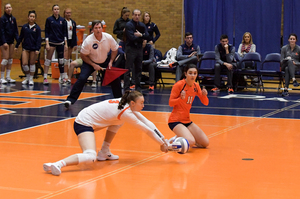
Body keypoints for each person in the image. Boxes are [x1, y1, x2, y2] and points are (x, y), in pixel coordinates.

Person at [44, 90, 169, 176]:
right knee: (90, 156)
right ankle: (57, 164)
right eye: (141, 103)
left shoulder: (125, 104)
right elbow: (145, 129)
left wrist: (164, 140)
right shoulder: (125, 112)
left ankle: (104, 152)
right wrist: (161, 144)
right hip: (83, 123)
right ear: (133, 103)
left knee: (118, 121)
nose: (143, 105)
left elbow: (148, 123)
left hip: (90, 120)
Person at [64, 20, 121, 108]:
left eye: (99, 28)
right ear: (92, 30)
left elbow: (115, 49)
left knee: (115, 78)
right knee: (82, 78)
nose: (98, 30)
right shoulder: (88, 40)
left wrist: (111, 61)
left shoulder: (108, 37)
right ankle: (70, 100)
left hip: (105, 61)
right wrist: (93, 65)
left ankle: (120, 100)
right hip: (90, 61)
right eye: (96, 28)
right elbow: (83, 55)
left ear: (102, 29)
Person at [168, 64, 209, 148]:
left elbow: (205, 103)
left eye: (195, 73)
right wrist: (180, 98)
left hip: (187, 121)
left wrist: (204, 95)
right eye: (190, 73)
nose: (193, 75)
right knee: (190, 141)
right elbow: (170, 103)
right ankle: (171, 143)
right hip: (175, 121)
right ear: (185, 74)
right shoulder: (179, 85)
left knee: (205, 143)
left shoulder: (196, 85)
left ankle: (180, 137)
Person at [124, 9, 149, 92]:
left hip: (139, 49)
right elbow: (131, 38)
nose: (137, 16)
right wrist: (142, 38)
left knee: (138, 68)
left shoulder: (142, 25)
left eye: (138, 15)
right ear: (132, 15)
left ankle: (138, 87)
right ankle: (126, 87)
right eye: (135, 15)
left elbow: (148, 36)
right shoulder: (129, 25)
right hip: (130, 49)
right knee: (128, 69)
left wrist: (140, 35)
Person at [14, 10, 41, 86]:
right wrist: (17, 46)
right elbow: (21, 37)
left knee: (32, 63)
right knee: (24, 64)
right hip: (25, 48)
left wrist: (37, 49)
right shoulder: (24, 27)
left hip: (33, 48)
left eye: (33, 17)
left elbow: (38, 39)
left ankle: (31, 79)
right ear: (28, 17)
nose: (32, 18)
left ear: (35, 18)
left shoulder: (37, 28)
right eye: (30, 16)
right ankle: (28, 76)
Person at [43, 4, 68, 85]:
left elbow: (65, 33)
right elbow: (46, 32)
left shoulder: (63, 20)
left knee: (61, 61)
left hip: (60, 42)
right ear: (52, 10)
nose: (56, 10)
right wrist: (47, 43)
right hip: (51, 43)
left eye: (57, 9)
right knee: (48, 60)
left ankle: (62, 77)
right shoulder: (49, 20)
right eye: (55, 9)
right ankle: (45, 77)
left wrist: (66, 44)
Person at [0, 3, 19, 84]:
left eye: (9, 7)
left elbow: (15, 31)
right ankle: (1, 77)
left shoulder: (13, 19)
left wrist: (18, 41)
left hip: (11, 41)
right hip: (4, 41)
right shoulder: (2, 19)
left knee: (10, 58)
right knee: (5, 58)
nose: (8, 9)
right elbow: (1, 31)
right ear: (4, 9)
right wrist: (4, 42)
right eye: (7, 8)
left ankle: (8, 77)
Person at [63, 8, 77, 84]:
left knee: (68, 58)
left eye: (69, 13)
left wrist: (75, 44)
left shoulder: (73, 22)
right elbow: (63, 32)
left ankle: (68, 74)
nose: (68, 14)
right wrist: (65, 43)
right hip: (65, 41)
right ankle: (64, 75)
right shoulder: (63, 22)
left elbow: (74, 33)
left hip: (71, 41)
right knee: (65, 58)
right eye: (67, 13)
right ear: (64, 13)